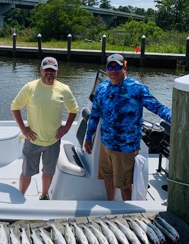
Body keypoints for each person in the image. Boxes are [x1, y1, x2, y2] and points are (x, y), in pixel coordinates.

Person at [84, 53, 172, 201]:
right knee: (107, 177)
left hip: (125, 149)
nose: (113, 70)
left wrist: (178, 120)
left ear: (124, 67)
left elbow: (158, 108)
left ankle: (127, 212)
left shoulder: (137, 88)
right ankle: (110, 203)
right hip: (105, 144)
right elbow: (95, 114)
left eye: (117, 66)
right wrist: (88, 137)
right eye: (110, 67)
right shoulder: (102, 88)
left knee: (125, 185)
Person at [11, 57, 79, 200]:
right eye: (46, 70)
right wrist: (24, 129)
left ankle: (44, 195)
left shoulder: (64, 89)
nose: (49, 73)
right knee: (26, 173)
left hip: (53, 141)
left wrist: (66, 127)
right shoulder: (30, 87)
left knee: (48, 172)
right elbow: (15, 107)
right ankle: (20, 197)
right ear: (41, 70)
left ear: (57, 72)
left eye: (52, 70)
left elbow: (73, 109)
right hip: (33, 140)